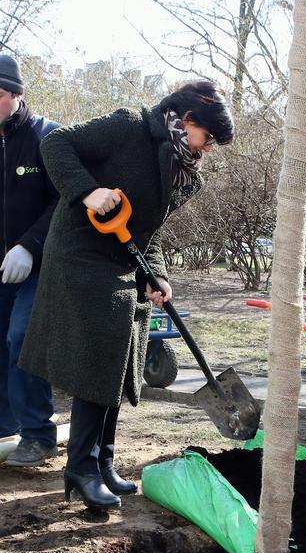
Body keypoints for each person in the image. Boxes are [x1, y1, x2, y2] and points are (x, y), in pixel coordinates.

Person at [19, 80, 234, 512]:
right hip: (79, 252)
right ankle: (80, 468)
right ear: (188, 119)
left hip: (123, 258)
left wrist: (158, 275)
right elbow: (57, 144)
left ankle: (103, 459)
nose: (207, 148)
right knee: (101, 354)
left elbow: (146, 230)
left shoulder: (183, 172)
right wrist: (86, 190)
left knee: (124, 355)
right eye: (207, 137)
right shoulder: (129, 125)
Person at [0, 53, 60, 467]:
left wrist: (30, 245)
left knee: (22, 339)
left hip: (39, 266)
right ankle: (5, 428)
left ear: (15, 95)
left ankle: (38, 434)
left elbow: (64, 201)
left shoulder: (48, 138)